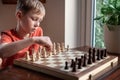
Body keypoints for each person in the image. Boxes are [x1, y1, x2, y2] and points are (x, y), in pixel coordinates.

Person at [0, 0, 53, 68]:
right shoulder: (7, 35)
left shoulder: (38, 31)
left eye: (40, 20)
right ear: (19, 16)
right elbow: (2, 52)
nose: (37, 24)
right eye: (34, 19)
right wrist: (33, 40)